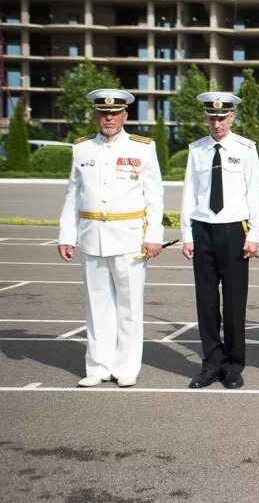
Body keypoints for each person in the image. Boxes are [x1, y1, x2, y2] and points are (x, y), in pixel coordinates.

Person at [58, 89, 164, 388]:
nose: (109, 118)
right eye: (103, 113)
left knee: (129, 307)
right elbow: (73, 196)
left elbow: (154, 196)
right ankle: (98, 365)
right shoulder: (82, 149)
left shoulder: (143, 148)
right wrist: (67, 234)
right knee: (97, 305)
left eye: (115, 113)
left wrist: (154, 235)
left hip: (129, 238)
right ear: (96, 115)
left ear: (125, 116)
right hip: (92, 237)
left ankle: (127, 365)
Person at [181, 92, 259, 390]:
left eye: (223, 117)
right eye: (212, 118)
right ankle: (211, 363)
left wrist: (254, 235)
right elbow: (189, 193)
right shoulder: (197, 150)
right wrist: (187, 234)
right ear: (205, 118)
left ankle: (233, 365)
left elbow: (254, 193)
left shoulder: (245, 149)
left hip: (233, 231)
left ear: (232, 118)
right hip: (203, 228)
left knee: (234, 301)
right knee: (206, 301)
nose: (217, 123)